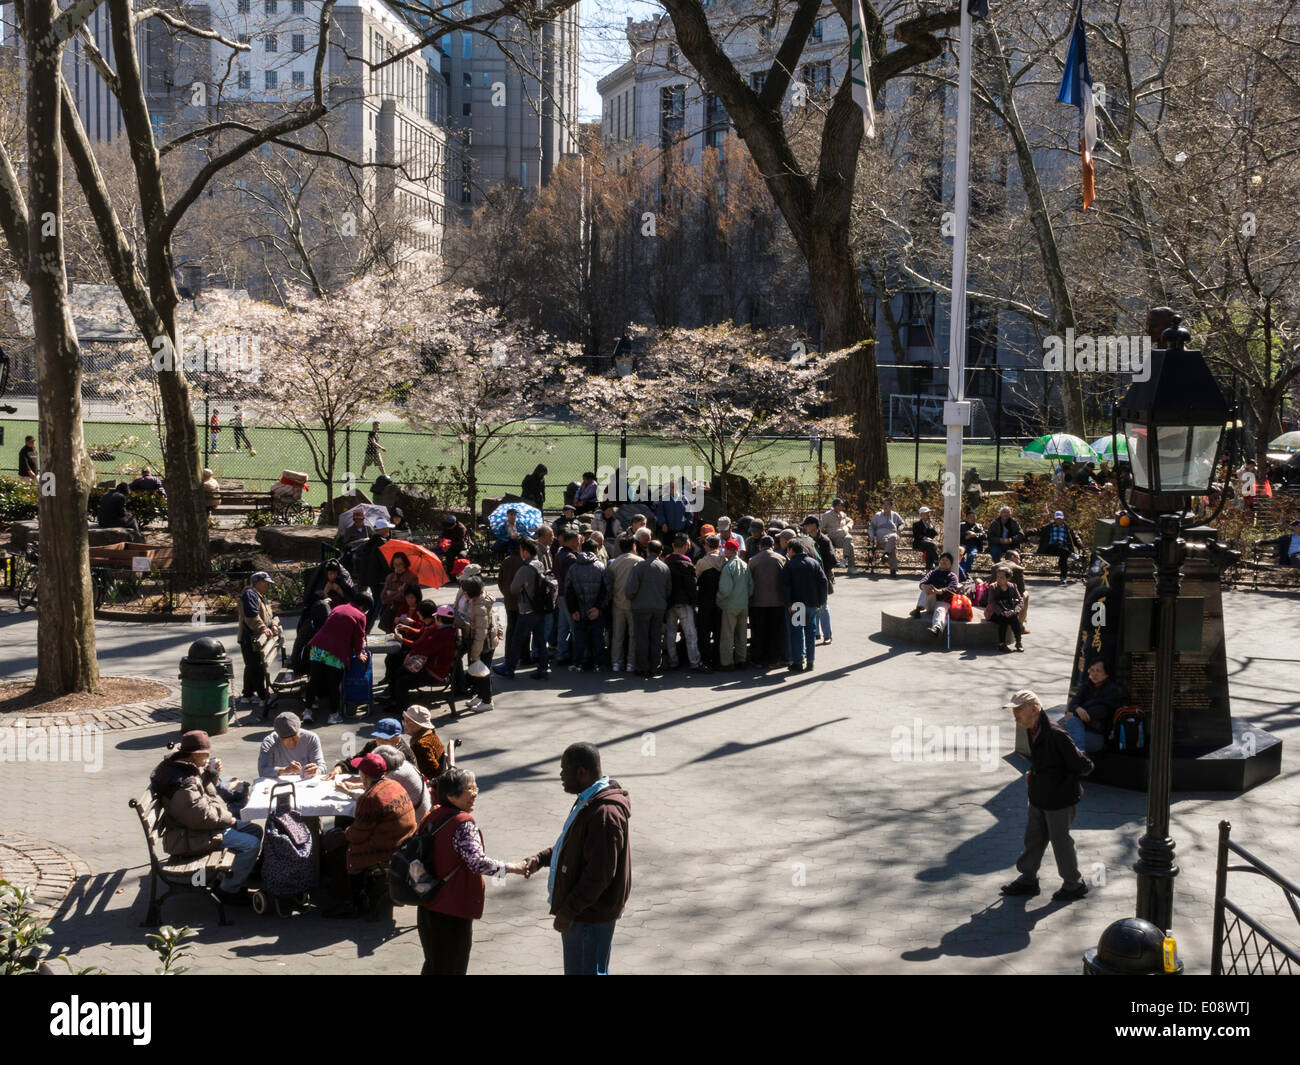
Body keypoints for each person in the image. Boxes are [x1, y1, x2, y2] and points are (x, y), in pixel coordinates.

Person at [521, 743, 632, 976]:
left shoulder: (604, 815)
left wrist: (569, 911)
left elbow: (600, 874)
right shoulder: (589, 800)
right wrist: (540, 859)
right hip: (584, 914)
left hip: (588, 917)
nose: (560, 775)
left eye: (564, 770)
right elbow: (572, 847)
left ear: (582, 772)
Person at [417, 768, 528, 974]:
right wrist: (514, 868)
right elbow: (477, 863)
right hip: (452, 909)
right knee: (452, 967)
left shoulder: (432, 816)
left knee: (434, 964)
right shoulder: (463, 824)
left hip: (428, 902)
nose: (475, 792)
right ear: (451, 795)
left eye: (475, 786)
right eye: (469, 788)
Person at [150, 730, 262, 905]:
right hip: (190, 837)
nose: (209, 756)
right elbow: (200, 816)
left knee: (254, 830)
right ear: (194, 755)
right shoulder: (182, 783)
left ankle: (237, 872)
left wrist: (210, 774)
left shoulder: (182, 767)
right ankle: (228, 890)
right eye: (206, 754)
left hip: (195, 828)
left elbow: (199, 798)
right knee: (251, 844)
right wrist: (230, 820)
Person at [1000, 690, 1093, 902]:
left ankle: (1074, 884)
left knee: (1060, 841)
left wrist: (1056, 779)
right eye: (1013, 710)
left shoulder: (1056, 733)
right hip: (1039, 794)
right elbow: (1042, 759)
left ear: (1034, 709)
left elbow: (1083, 766)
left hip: (1059, 798)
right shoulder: (1031, 728)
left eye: (1018, 710)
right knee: (1034, 837)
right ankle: (1028, 879)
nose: (1015, 715)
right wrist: (1033, 773)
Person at [321, 752, 416, 917]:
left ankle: (352, 902)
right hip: (406, 840)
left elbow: (358, 835)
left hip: (389, 845)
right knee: (340, 836)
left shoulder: (370, 797)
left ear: (364, 776)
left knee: (343, 849)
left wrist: (342, 835)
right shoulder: (394, 784)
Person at [305, 590, 371, 725]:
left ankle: (307, 711)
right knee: (333, 684)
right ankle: (333, 715)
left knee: (314, 680)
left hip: (318, 647)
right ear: (363, 607)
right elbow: (359, 637)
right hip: (335, 652)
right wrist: (359, 652)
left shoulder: (338, 607)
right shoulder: (360, 616)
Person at [385, 604, 458, 710]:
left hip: (434, 672)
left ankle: (400, 708)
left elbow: (423, 649)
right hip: (435, 667)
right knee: (399, 671)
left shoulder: (442, 634)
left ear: (440, 618)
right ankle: (396, 701)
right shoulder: (447, 630)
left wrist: (405, 646)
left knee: (402, 681)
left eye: (436, 617)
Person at [498, 538, 550, 680]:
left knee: (517, 640)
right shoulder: (539, 564)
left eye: (521, 550)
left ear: (525, 552)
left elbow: (514, 589)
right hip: (540, 607)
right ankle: (543, 668)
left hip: (527, 609)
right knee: (540, 641)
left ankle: (509, 668)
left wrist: (522, 588)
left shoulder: (525, 569)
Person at [626, 539, 672, 678]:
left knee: (641, 638)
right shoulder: (665, 568)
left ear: (647, 550)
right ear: (661, 552)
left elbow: (630, 590)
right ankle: (654, 667)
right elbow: (668, 590)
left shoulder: (639, 566)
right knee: (656, 637)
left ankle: (642, 667)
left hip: (641, 607)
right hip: (658, 607)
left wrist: (633, 598)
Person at [781, 540, 828, 672]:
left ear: (791, 550)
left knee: (797, 633)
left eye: (788, 550)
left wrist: (788, 603)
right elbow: (823, 582)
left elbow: (786, 586)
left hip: (797, 605)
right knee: (810, 633)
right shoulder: (814, 563)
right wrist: (821, 601)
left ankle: (798, 662)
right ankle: (810, 661)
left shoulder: (789, 565)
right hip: (813, 603)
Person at [236, 571, 280, 713]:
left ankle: (247, 694)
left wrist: (272, 624)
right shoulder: (250, 594)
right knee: (256, 667)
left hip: (256, 638)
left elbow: (269, 615)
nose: (268, 585)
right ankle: (263, 696)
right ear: (258, 583)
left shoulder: (261, 596)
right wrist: (263, 629)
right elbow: (251, 616)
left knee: (252, 665)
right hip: (250, 638)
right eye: (266, 583)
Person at [1061, 659, 1126, 753]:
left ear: (1106, 674)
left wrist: (1077, 710)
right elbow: (1072, 704)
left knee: (1070, 723)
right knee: (1056, 731)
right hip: (1078, 729)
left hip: (1096, 736)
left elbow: (1099, 712)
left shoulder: (1111, 690)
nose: (1094, 674)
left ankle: (1080, 757)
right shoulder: (1086, 686)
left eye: (1098, 671)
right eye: (1092, 670)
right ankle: (1079, 756)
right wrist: (1078, 708)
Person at [663, 533, 706, 672]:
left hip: (669, 603)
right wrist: (694, 603)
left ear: (674, 545)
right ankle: (695, 662)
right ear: (687, 546)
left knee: (670, 633)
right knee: (690, 634)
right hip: (684, 603)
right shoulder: (688, 564)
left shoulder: (666, 563)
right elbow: (692, 587)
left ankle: (672, 661)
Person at [565, 540, 608, 672]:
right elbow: (606, 590)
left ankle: (579, 663)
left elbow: (569, 590)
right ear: (596, 551)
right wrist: (598, 607)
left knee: (579, 638)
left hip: (579, 609)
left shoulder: (573, 568)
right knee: (597, 638)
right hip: (596, 609)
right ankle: (598, 664)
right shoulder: (601, 567)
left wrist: (573, 610)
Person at [458, 574, 500, 711]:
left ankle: (487, 701)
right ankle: (481, 695)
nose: (463, 593)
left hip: (484, 644)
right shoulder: (478, 599)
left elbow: (481, 633)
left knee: (482, 672)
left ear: (471, 593)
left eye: (464, 591)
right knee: (478, 671)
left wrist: (475, 653)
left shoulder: (479, 607)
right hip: (485, 641)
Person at [747, 534, 787, 668]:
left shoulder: (753, 560)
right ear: (773, 545)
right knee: (774, 632)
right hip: (777, 602)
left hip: (757, 602)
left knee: (757, 631)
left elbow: (749, 581)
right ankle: (773, 659)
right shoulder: (781, 559)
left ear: (760, 546)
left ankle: (757, 659)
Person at [604, 534, 640, 672]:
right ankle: (631, 663)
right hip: (633, 604)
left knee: (617, 636)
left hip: (617, 603)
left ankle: (616, 663)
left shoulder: (613, 563)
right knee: (633, 635)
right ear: (633, 546)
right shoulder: (639, 561)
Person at [716, 538, 752, 670]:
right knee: (741, 634)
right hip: (743, 604)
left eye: (725, 548)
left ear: (731, 550)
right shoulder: (745, 565)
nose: (724, 551)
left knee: (728, 634)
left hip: (730, 605)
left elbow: (725, 590)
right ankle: (741, 660)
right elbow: (751, 586)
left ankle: (727, 663)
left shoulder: (728, 567)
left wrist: (718, 600)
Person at [257, 712, 326, 778]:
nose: (293, 742)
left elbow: (322, 766)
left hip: (305, 781)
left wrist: (316, 771)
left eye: (295, 737)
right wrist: (284, 770)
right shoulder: (270, 742)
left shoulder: (311, 738)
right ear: (279, 737)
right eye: (288, 739)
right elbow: (262, 770)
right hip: (280, 783)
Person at [373, 743, 432, 821]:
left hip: (417, 819)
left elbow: (374, 793)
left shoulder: (394, 775)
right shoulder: (403, 764)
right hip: (423, 809)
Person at [802, 516, 837, 645]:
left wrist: (821, 571)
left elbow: (832, 560)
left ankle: (827, 635)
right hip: (810, 577)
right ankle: (816, 632)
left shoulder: (824, 540)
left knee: (823, 606)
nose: (805, 527)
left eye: (807, 525)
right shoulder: (806, 539)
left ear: (814, 526)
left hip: (822, 577)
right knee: (813, 604)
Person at [694, 534, 725, 668]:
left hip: (705, 600)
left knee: (704, 632)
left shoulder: (702, 562)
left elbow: (696, 578)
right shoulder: (725, 560)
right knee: (719, 631)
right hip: (721, 601)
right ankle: (717, 659)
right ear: (719, 546)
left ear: (706, 546)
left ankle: (706, 659)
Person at [912, 553, 959, 638]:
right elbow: (923, 581)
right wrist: (924, 586)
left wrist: (939, 591)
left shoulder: (953, 576)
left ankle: (936, 629)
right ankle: (918, 609)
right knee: (925, 589)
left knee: (940, 610)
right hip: (930, 602)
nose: (944, 562)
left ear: (950, 564)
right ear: (939, 561)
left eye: (946, 560)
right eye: (942, 560)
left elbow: (952, 590)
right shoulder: (932, 573)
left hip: (944, 602)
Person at [552, 529, 580, 665]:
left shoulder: (559, 554)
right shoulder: (571, 557)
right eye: (577, 541)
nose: (579, 543)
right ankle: (576, 655)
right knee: (574, 626)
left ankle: (562, 654)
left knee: (563, 626)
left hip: (561, 594)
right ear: (571, 541)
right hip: (568, 595)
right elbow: (572, 580)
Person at [1036, 510, 1084, 582]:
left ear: (1063, 519)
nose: (1059, 520)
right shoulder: (1049, 527)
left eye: (1060, 519)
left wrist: (1080, 545)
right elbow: (1037, 530)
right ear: (1054, 519)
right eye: (1057, 519)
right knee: (1059, 547)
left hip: (1063, 547)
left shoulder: (1067, 528)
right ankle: (1070, 554)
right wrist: (1026, 534)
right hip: (1051, 548)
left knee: (1063, 556)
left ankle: (1063, 577)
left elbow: (1075, 537)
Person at [402, 705, 447, 779]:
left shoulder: (420, 746)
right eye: (404, 720)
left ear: (419, 725)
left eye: (408, 722)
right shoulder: (430, 734)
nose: (404, 724)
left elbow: (432, 773)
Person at [987, 567, 1024, 653]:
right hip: (995, 612)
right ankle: (1002, 644)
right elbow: (991, 602)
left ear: (1008, 578)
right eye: (997, 577)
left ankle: (1018, 642)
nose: (998, 579)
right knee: (1003, 619)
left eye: (1002, 578)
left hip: (1010, 610)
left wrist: (1014, 610)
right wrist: (1002, 612)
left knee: (1014, 618)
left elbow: (1020, 600)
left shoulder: (1013, 586)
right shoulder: (993, 587)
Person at [819, 498, 856, 576]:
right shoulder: (827, 515)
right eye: (840, 505)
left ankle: (845, 559)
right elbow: (820, 527)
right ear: (835, 506)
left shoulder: (843, 514)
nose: (842, 507)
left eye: (842, 505)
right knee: (848, 540)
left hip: (844, 538)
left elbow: (850, 521)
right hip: (834, 538)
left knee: (850, 544)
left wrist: (848, 527)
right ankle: (851, 567)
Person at [869, 499, 905, 576]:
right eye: (884, 504)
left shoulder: (895, 515)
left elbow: (902, 523)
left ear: (891, 507)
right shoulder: (877, 515)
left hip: (893, 537)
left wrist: (899, 529)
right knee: (892, 546)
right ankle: (893, 569)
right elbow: (871, 527)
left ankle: (885, 554)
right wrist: (871, 536)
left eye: (888, 504)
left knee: (893, 537)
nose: (885, 506)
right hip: (882, 540)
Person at [959, 509, 986, 577]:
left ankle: (966, 571)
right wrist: (966, 536)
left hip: (974, 545)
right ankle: (963, 570)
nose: (972, 518)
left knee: (971, 555)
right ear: (967, 518)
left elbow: (984, 535)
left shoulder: (978, 526)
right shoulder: (962, 525)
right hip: (963, 544)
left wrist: (975, 535)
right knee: (959, 554)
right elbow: (957, 534)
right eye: (971, 517)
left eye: (974, 517)